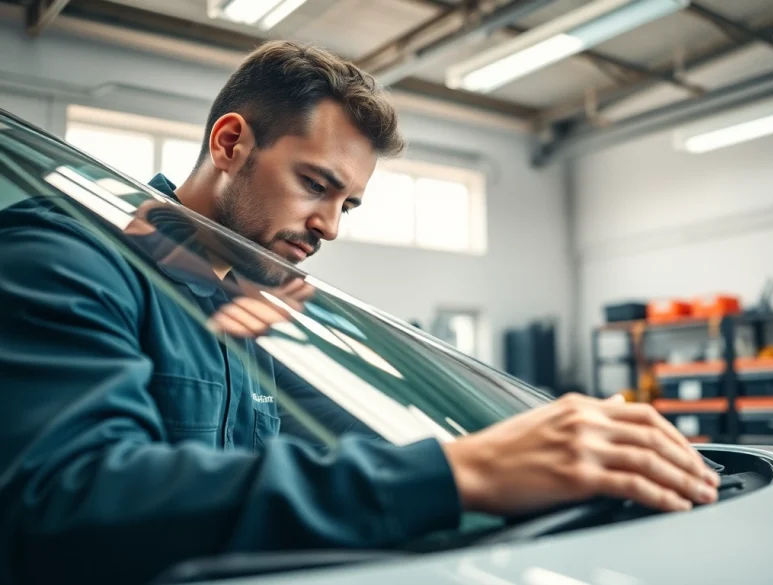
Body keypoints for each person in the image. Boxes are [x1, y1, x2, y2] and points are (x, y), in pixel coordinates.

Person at [0, 41, 718, 585]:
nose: (331, 227)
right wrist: (456, 473)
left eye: (348, 203)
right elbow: (71, 501)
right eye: (316, 184)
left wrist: (543, 441)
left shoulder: (251, 311)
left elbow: (376, 430)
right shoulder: (67, 260)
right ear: (229, 144)